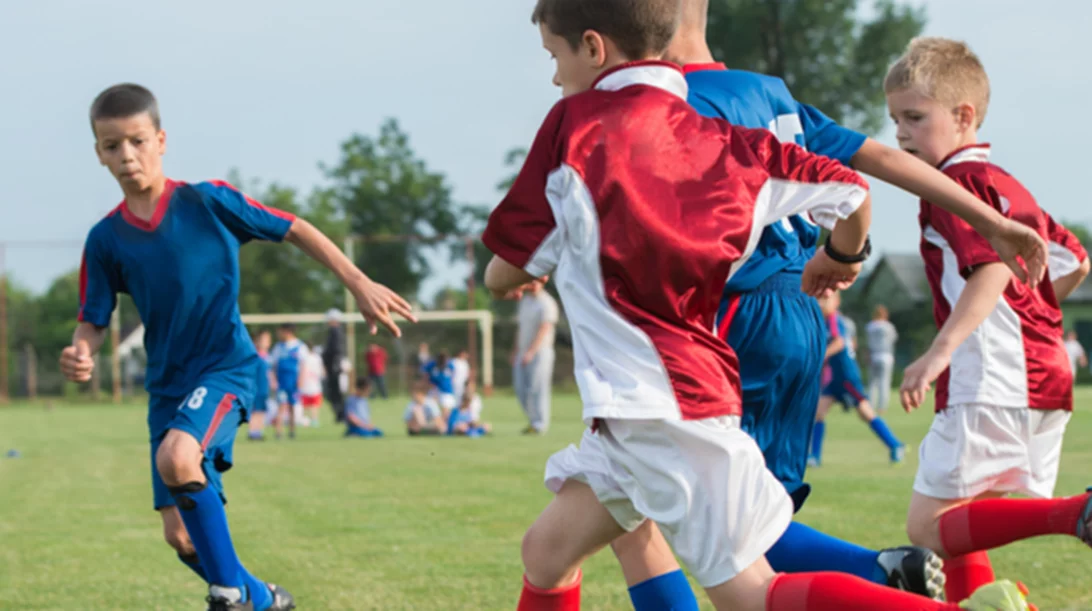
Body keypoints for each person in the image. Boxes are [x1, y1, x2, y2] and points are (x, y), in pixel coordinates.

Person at [482, 3, 1027, 609]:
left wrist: (511, 270)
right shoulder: (735, 134)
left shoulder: (575, 124)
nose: (555, 77)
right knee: (547, 553)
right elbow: (853, 189)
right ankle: (884, 570)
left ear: (592, 47)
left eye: (554, 57)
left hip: (666, 399)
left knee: (749, 591)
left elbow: (507, 268)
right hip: (676, 388)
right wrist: (842, 258)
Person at [59, 83, 413, 611]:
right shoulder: (105, 239)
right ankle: (261, 598)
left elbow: (293, 227)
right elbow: (93, 317)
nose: (126, 156)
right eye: (112, 146)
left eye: (136, 141)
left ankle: (230, 596)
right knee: (180, 537)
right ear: (98, 153)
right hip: (166, 389)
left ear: (160, 140)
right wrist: (80, 349)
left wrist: (358, 282)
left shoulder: (207, 201)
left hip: (226, 368)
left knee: (179, 457)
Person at [888, 38, 1092, 605]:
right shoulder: (1006, 182)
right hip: (1040, 374)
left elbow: (988, 273)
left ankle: (1079, 513)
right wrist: (1035, 319)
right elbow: (1073, 261)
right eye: (894, 120)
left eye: (914, 117)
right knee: (959, 513)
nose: (899, 133)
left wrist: (940, 351)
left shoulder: (957, 187)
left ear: (963, 116)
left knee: (928, 527)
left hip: (992, 373)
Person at [809, 292, 904, 467]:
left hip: (847, 377)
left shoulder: (834, 320)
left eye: (826, 299)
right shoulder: (822, 322)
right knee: (818, 413)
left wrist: (821, 356)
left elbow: (839, 343)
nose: (821, 303)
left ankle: (895, 445)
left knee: (865, 412)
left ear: (836, 302)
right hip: (834, 379)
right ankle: (814, 456)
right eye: (819, 299)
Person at [513, 278, 558, 435]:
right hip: (522, 351)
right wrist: (516, 351)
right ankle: (532, 421)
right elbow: (520, 328)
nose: (532, 284)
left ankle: (539, 424)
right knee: (520, 389)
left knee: (537, 388)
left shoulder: (547, 303)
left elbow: (544, 328)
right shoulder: (525, 301)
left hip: (540, 352)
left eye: (535, 281)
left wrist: (531, 352)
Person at [271, 324, 307, 440]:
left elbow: (303, 365)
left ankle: (292, 430)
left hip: (293, 381)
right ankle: (278, 431)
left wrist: (301, 379)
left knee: (292, 406)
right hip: (282, 381)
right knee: (281, 405)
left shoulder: (299, 346)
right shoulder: (278, 347)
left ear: (287, 332)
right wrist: (274, 379)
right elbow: (274, 365)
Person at [866, 305, 899, 412]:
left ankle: (870, 405)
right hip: (886, 356)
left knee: (872, 383)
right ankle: (882, 406)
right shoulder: (889, 327)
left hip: (873, 355)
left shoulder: (870, 326)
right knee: (884, 382)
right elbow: (893, 340)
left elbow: (868, 342)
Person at [247, 331, 273, 441]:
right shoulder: (255, 356)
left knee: (262, 410)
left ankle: (259, 431)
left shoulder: (268, 356)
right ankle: (252, 431)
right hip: (256, 389)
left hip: (264, 389)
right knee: (255, 411)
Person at [322, 308, 347, 422]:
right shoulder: (335, 331)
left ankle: (341, 414)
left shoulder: (335, 332)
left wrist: (330, 362)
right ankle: (340, 414)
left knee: (335, 392)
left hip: (334, 366)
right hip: (335, 365)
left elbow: (335, 350)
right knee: (334, 392)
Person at [298, 341, 325, 428]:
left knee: (304, 404)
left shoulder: (304, 358)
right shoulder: (317, 357)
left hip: (306, 384)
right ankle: (314, 420)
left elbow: (302, 370)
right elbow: (322, 370)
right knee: (314, 404)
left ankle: (305, 419)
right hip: (315, 384)